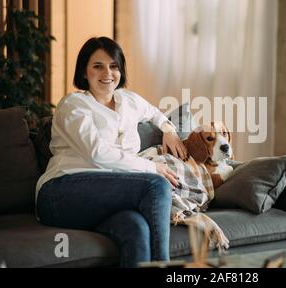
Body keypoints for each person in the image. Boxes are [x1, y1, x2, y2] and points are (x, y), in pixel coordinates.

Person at [35, 36, 188, 267]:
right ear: (84, 72)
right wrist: (151, 167)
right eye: (98, 66)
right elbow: (98, 153)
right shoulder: (73, 105)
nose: (107, 72)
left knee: (136, 228)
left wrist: (169, 130)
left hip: (104, 199)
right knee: (156, 185)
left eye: (113, 66)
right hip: (61, 193)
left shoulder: (129, 100)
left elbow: (154, 113)